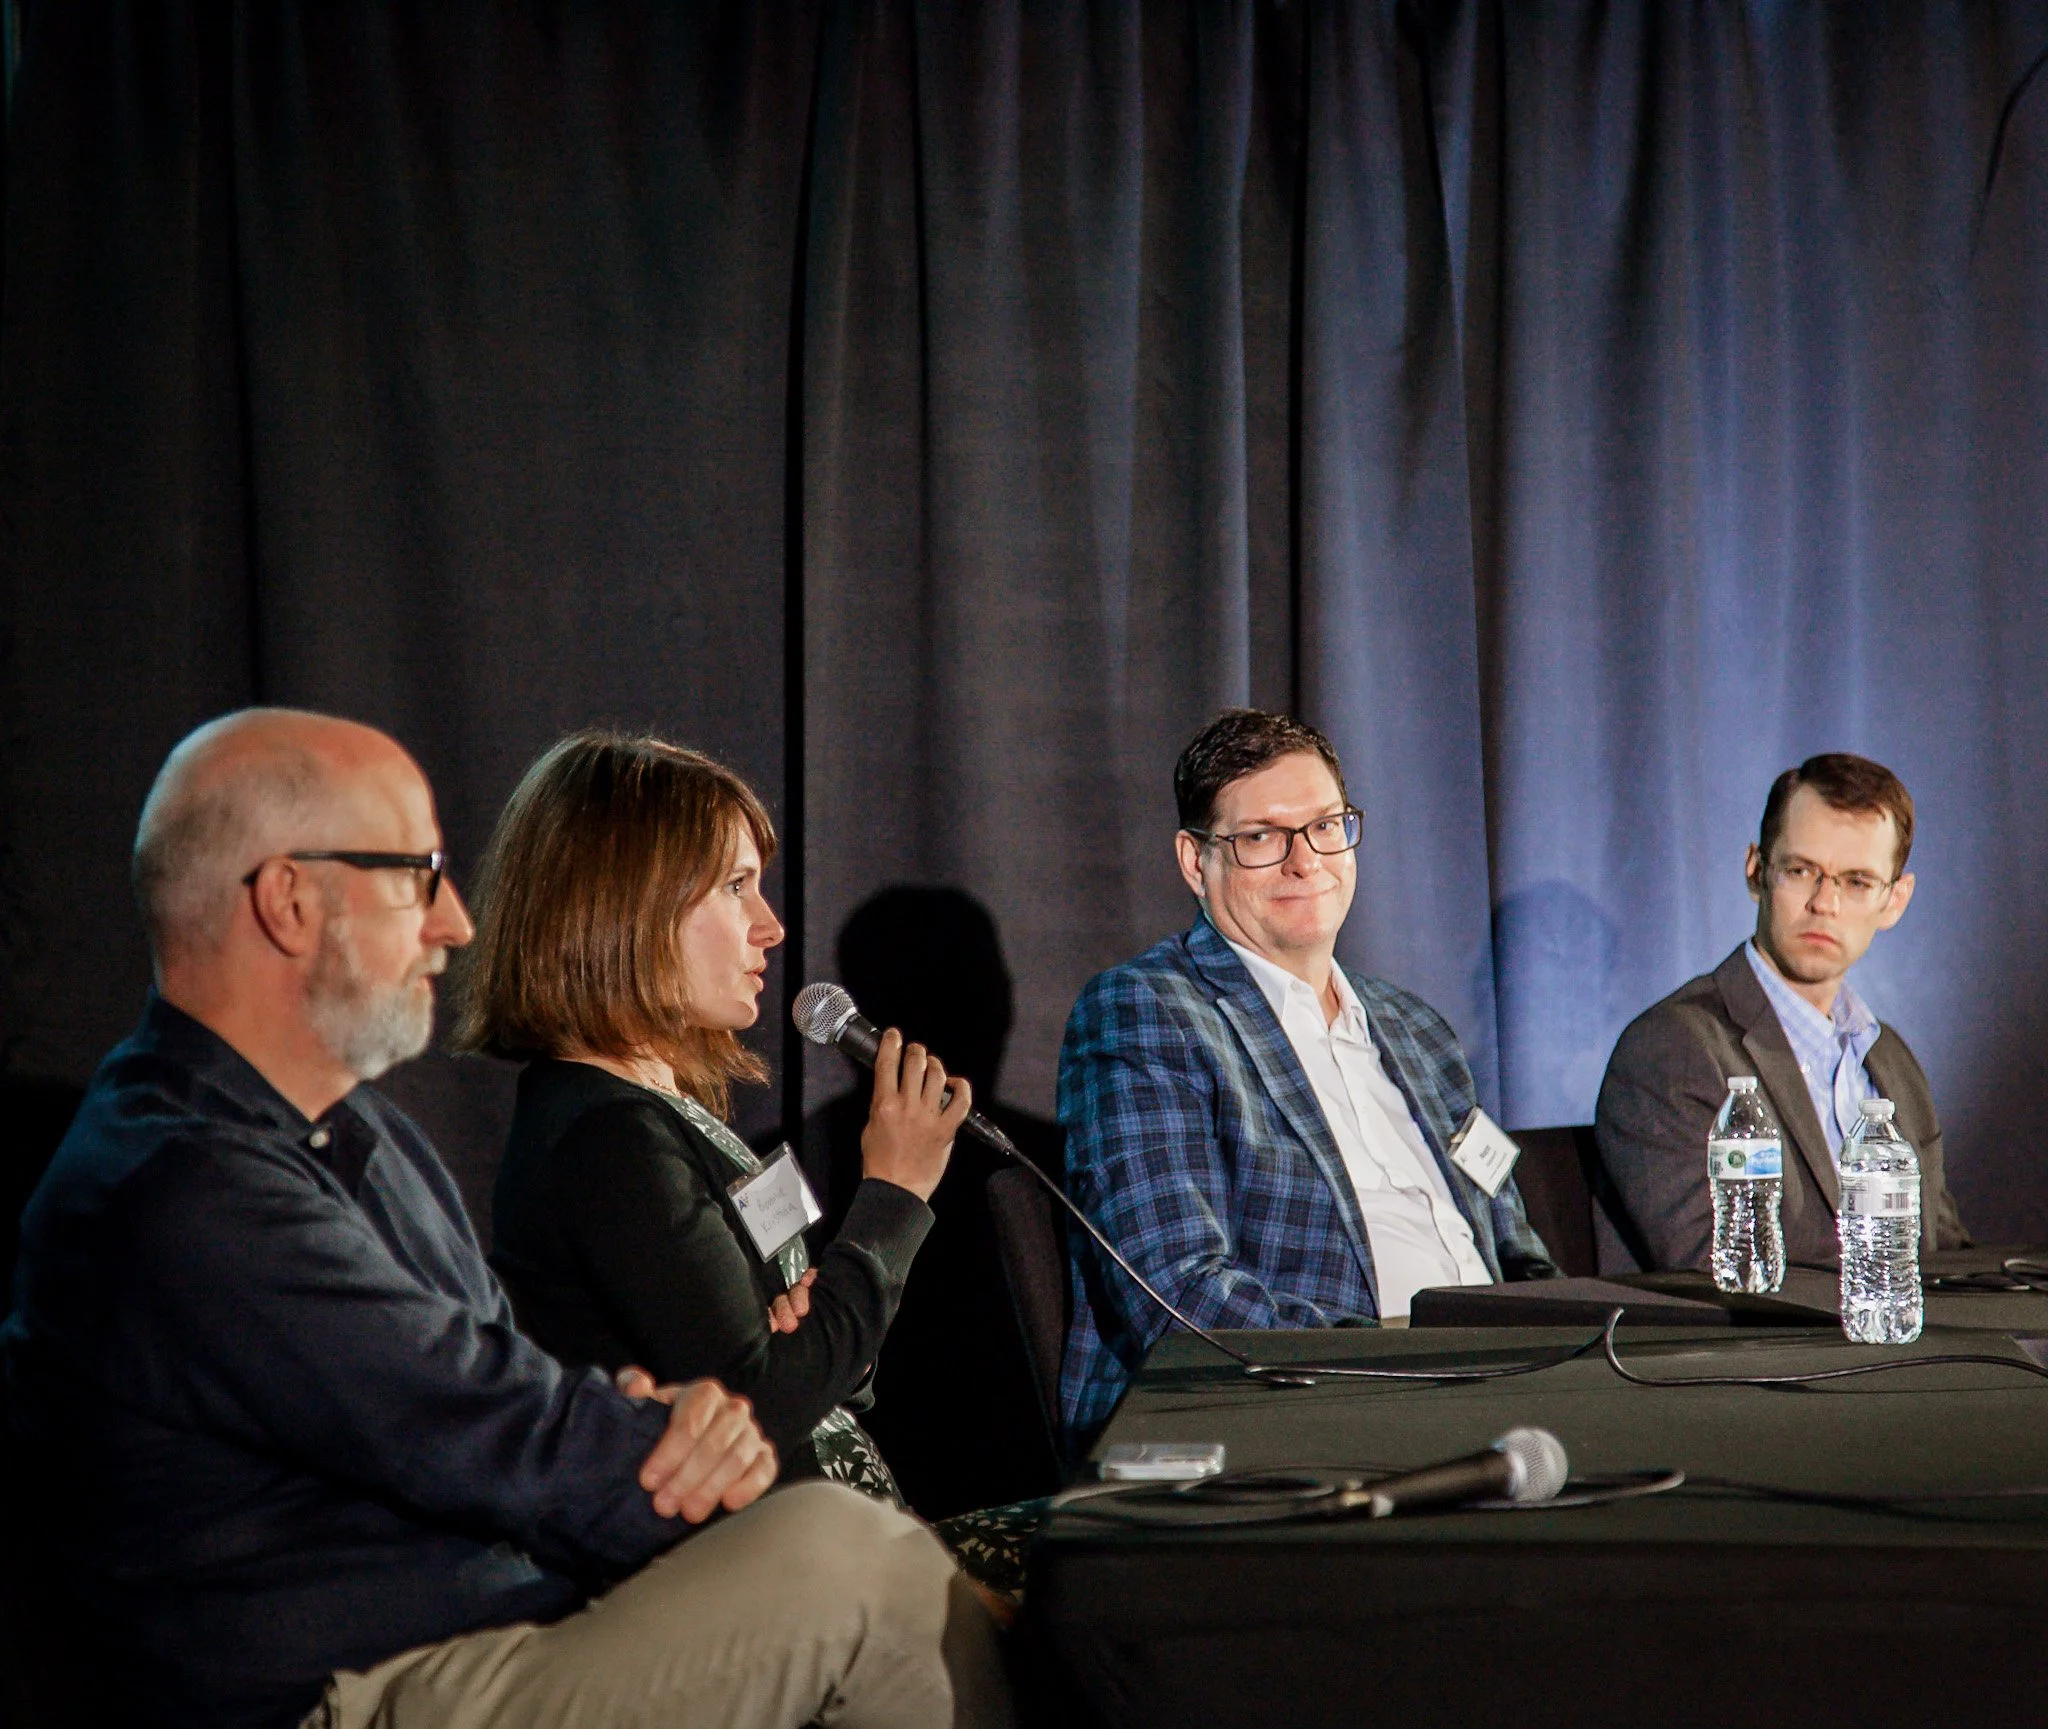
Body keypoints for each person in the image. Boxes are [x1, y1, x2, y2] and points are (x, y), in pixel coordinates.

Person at [0, 709, 1011, 1729]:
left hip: (502, 1625)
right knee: (854, 1560)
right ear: (290, 900)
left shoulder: (366, 1137)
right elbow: (478, 1422)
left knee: (895, 1558)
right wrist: (690, 1439)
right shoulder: (182, 1189)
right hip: (343, 1692)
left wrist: (656, 1420)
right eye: (414, 875)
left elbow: (495, 1378)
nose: (455, 923)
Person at [462, 733, 968, 1509]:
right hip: (784, 1582)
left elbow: (811, 1365)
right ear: (627, 903)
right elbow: (754, 1408)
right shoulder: (608, 1140)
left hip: (841, 1540)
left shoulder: (664, 1107)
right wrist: (893, 1197)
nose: (770, 926)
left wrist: (827, 1313)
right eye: (736, 886)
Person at [1058, 709, 1557, 1444]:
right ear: (1197, 862)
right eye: (1262, 837)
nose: (1306, 860)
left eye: (1326, 826)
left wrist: (1570, 1346)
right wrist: (1402, 1364)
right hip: (1295, 1414)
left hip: (1499, 1392)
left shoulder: (1419, 1030)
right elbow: (1176, 1295)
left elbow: (1516, 1249)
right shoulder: (1147, 1011)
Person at [1594, 752, 1968, 1273]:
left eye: (1857, 882)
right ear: (1756, 871)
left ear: (1894, 901)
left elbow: (1942, 1257)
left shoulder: (1892, 1061)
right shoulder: (1672, 1051)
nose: (1825, 903)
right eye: (1801, 871)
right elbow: (1718, 1272)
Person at [793, 887, 1065, 1519]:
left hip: (1044, 1488)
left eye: (984, 988)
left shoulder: (1053, 1162)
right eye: (938, 991)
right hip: (861, 1512)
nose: (978, 1015)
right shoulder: (794, 1160)